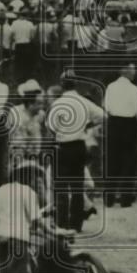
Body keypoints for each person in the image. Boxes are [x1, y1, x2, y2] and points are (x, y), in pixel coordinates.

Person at [46, 74, 105, 233]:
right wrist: (88, 125)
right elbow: (103, 115)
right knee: (77, 187)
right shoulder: (83, 101)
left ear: (62, 85)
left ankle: (62, 223)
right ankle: (76, 224)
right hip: (79, 146)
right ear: (76, 84)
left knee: (61, 187)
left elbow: (51, 128)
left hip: (63, 146)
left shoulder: (57, 104)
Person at [0, 164, 44, 273]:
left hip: (2, 237)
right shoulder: (28, 192)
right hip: (19, 238)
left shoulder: (1, 190)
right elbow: (37, 219)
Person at [102, 63, 137, 208]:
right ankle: (126, 199)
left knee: (112, 160)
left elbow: (107, 108)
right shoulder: (133, 89)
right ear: (124, 71)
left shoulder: (110, 87)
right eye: (133, 70)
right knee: (129, 161)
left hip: (114, 124)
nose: (135, 73)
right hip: (129, 124)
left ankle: (109, 198)